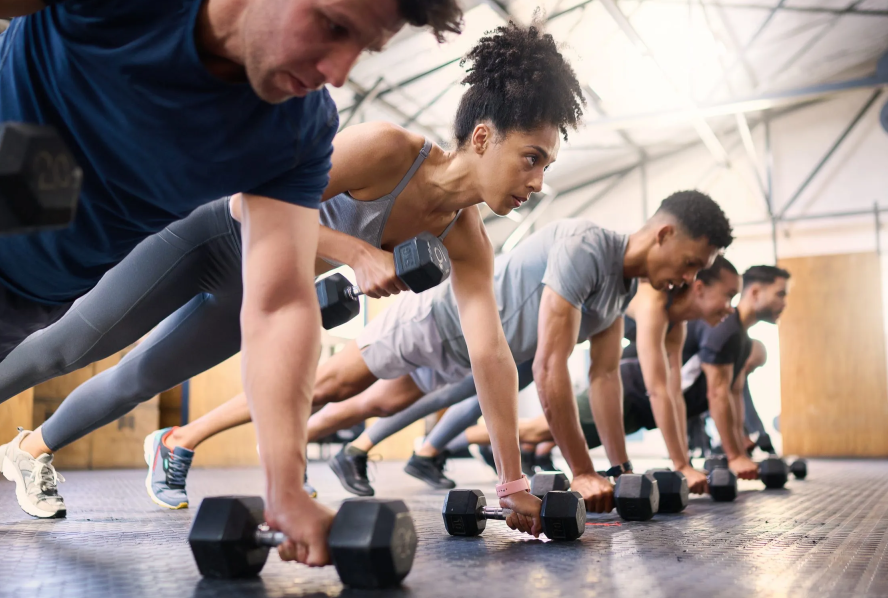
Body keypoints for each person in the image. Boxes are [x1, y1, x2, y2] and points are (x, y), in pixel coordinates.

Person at [0, 23, 586, 538]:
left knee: (139, 379)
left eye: (546, 167)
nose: (536, 183)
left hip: (262, 287)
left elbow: (491, 354)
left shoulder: (466, 238)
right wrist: (358, 255)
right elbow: (248, 201)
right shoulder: (390, 150)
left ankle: (28, 452)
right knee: (65, 347)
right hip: (212, 236)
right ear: (483, 138)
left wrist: (511, 483)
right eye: (531, 159)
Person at [0, 0, 462, 568]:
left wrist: (283, 485)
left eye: (365, 49)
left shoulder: (298, 129)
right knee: (60, 351)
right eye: (332, 26)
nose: (339, 71)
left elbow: (279, 304)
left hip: (6, 299)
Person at [300, 191, 732, 514]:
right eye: (691, 262)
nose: (689, 277)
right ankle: (282, 443)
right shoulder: (586, 245)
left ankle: (321, 445)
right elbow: (549, 366)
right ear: (665, 234)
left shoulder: (626, 289)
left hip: (482, 351)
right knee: (333, 385)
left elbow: (604, 378)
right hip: (439, 318)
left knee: (377, 400)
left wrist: (619, 471)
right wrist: (582, 470)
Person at [392, 255, 741, 494]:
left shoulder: (677, 323)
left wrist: (681, 462)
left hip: (575, 346)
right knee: (466, 399)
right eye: (728, 295)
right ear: (697, 286)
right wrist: (680, 463)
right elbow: (657, 388)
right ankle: (435, 448)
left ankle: (446, 449)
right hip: (536, 331)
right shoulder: (652, 301)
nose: (730, 307)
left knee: (507, 415)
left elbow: (672, 391)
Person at [458, 339, 770, 473]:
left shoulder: (727, 376)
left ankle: (481, 444)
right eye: (751, 366)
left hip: (636, 413)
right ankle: (448, 443)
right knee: (536, 428)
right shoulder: (716, 358)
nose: (748, 372)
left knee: (548, 436)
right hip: (626, 393)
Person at [684, 264, 789, 479]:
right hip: (631, 401)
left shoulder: (743, 340)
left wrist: (740, 450)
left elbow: (734, 394)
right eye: (780, 294)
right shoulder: (725, 328)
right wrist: (733, 457)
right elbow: (717, 394)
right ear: (756, 293)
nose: (784, 303)